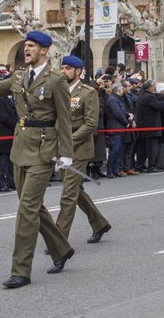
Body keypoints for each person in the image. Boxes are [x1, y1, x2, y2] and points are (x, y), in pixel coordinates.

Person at [0, 31, 76, 289]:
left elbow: (64, 120)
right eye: (25, 46)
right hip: (20, 147)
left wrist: (66, 154)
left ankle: (21, 270)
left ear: (44, 50)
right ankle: (62, 248)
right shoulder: (19, 76)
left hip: (44, 150)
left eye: (31, 46)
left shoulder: (56, 80)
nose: (27, 50)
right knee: (31, 205)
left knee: (26, 211)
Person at [55, 55, 111, 244]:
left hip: (78, 149)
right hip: (61, 148)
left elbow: (90, 124)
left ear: (78, 71)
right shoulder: (59, 90)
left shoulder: (88, 92)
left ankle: (58, 241)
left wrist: (68, 141)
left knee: (68, 194)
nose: (63, 72)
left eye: (67, 69)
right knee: (75, 190)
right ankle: (99, 223)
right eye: (62, 68)